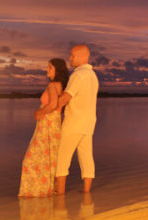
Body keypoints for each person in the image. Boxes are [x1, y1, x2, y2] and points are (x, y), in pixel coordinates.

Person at [18, 58, 69, 197]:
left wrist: (39, 112)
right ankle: (46, 190)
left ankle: (35, 191)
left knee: (31, 159)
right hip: (54, 124)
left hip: (48, 124)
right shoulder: (61, 85)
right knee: (48, 157)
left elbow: (53, 104)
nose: (47, 70)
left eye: (50, 67)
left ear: (57, 70)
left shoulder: (53, 85)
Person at [55, 44, 99, 194]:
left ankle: (60, 194)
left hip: (74, 122)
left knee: (62, 159)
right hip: (88, 123)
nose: (70, 58)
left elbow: (66, 98)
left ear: (81, 56)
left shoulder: (78, 75)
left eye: (72, 55)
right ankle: (86, 193)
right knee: (86, 157)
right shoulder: (93, 76)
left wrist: (48, 110)